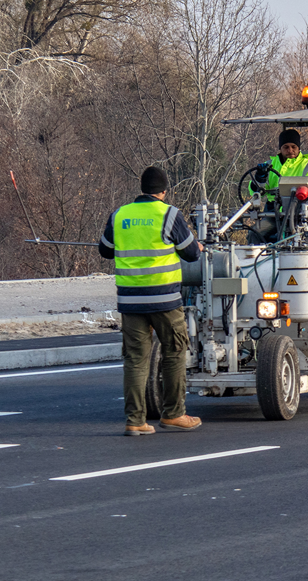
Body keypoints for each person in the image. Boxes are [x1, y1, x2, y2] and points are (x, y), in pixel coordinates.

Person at [99, 166, 203, 436]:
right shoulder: (169, 214)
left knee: (135, 359)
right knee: (175, 351)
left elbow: (105, 251)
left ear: (142, 189)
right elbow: (192, 254)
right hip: (165, 299)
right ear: (164, 191)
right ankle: (174, 414)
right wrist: (198, 246)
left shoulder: (120, 215)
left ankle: (135, 421)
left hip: (130, 300)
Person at [260, 128, 308, 203]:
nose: (290, 150)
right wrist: (259, 179)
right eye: (286, 147)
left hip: (299, 208)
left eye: (293, 147)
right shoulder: (268, 165)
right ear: (280, 149)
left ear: (298, 148)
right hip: (272, 209)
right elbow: (257, 193)